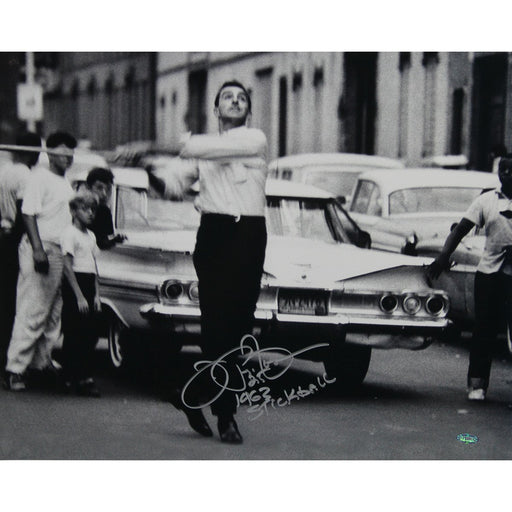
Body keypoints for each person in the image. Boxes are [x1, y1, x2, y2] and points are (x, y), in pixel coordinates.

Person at [147, 80, 268, 443]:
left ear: (248, 110)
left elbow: (201, 147)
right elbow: (172, 186)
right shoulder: (202, 153)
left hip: (249, 236)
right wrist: (147, 169)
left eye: (242, 98)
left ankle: (190, 393)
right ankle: (226, 415)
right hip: (214, 236)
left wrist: (167, 146)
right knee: (216, 326)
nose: (235, 101)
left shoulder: (254, 140)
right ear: (216, 109)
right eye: (227, 97)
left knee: (239, 329)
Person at [427, 157, 512, 401]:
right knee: (484, 328)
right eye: (502, 170)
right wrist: (444, 256)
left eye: (511, 170)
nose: (506, 174)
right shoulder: (486, 201)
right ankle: (477, 384)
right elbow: (460, 230)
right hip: (489, 274)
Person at [3, 131, 76, 391]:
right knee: (31, 310)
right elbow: (28, 214)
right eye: (62, 153)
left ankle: (40, 364)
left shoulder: (64, 182)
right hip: (42, 248)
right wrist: (37, 250)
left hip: (60, 251)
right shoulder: (39, 178)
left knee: (52, 314)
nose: (67, 158)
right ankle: (15, 369)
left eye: (71, 154)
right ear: (50, 152)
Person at [0, 132, 42, 380]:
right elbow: (24, 213)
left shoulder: (3, 170)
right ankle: (9, 356)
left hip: (2, 235)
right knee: (14, 301)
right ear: (33, 151)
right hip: (15, 240)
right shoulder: (25, 175)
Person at [60, 190, 102, 397]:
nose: (90, 213)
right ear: (74, 211)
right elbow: (67, 267)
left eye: (93, 209)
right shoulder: (69, 233)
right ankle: (69, 376)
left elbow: (94, 267)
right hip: (75, 285)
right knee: (74, 332)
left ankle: (86, 377)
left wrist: (96, 295)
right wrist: (78, 296)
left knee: (89, 333)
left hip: (88, 285)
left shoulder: (91, 236)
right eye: (85, 209)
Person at [85, 167, 126, 249]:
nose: (104, 193)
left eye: (108, 189)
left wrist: (115, 240)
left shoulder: (105, 212)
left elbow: (104, 241)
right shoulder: (78, 208)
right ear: (88, 187)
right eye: (99, 188)